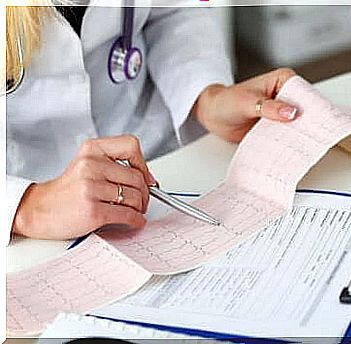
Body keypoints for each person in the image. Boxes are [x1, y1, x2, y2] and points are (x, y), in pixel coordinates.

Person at [5, 2, 299, 244]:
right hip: (30, 222)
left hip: (157, 168)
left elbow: (172, 11)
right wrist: (27, 207)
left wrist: (206, 96)